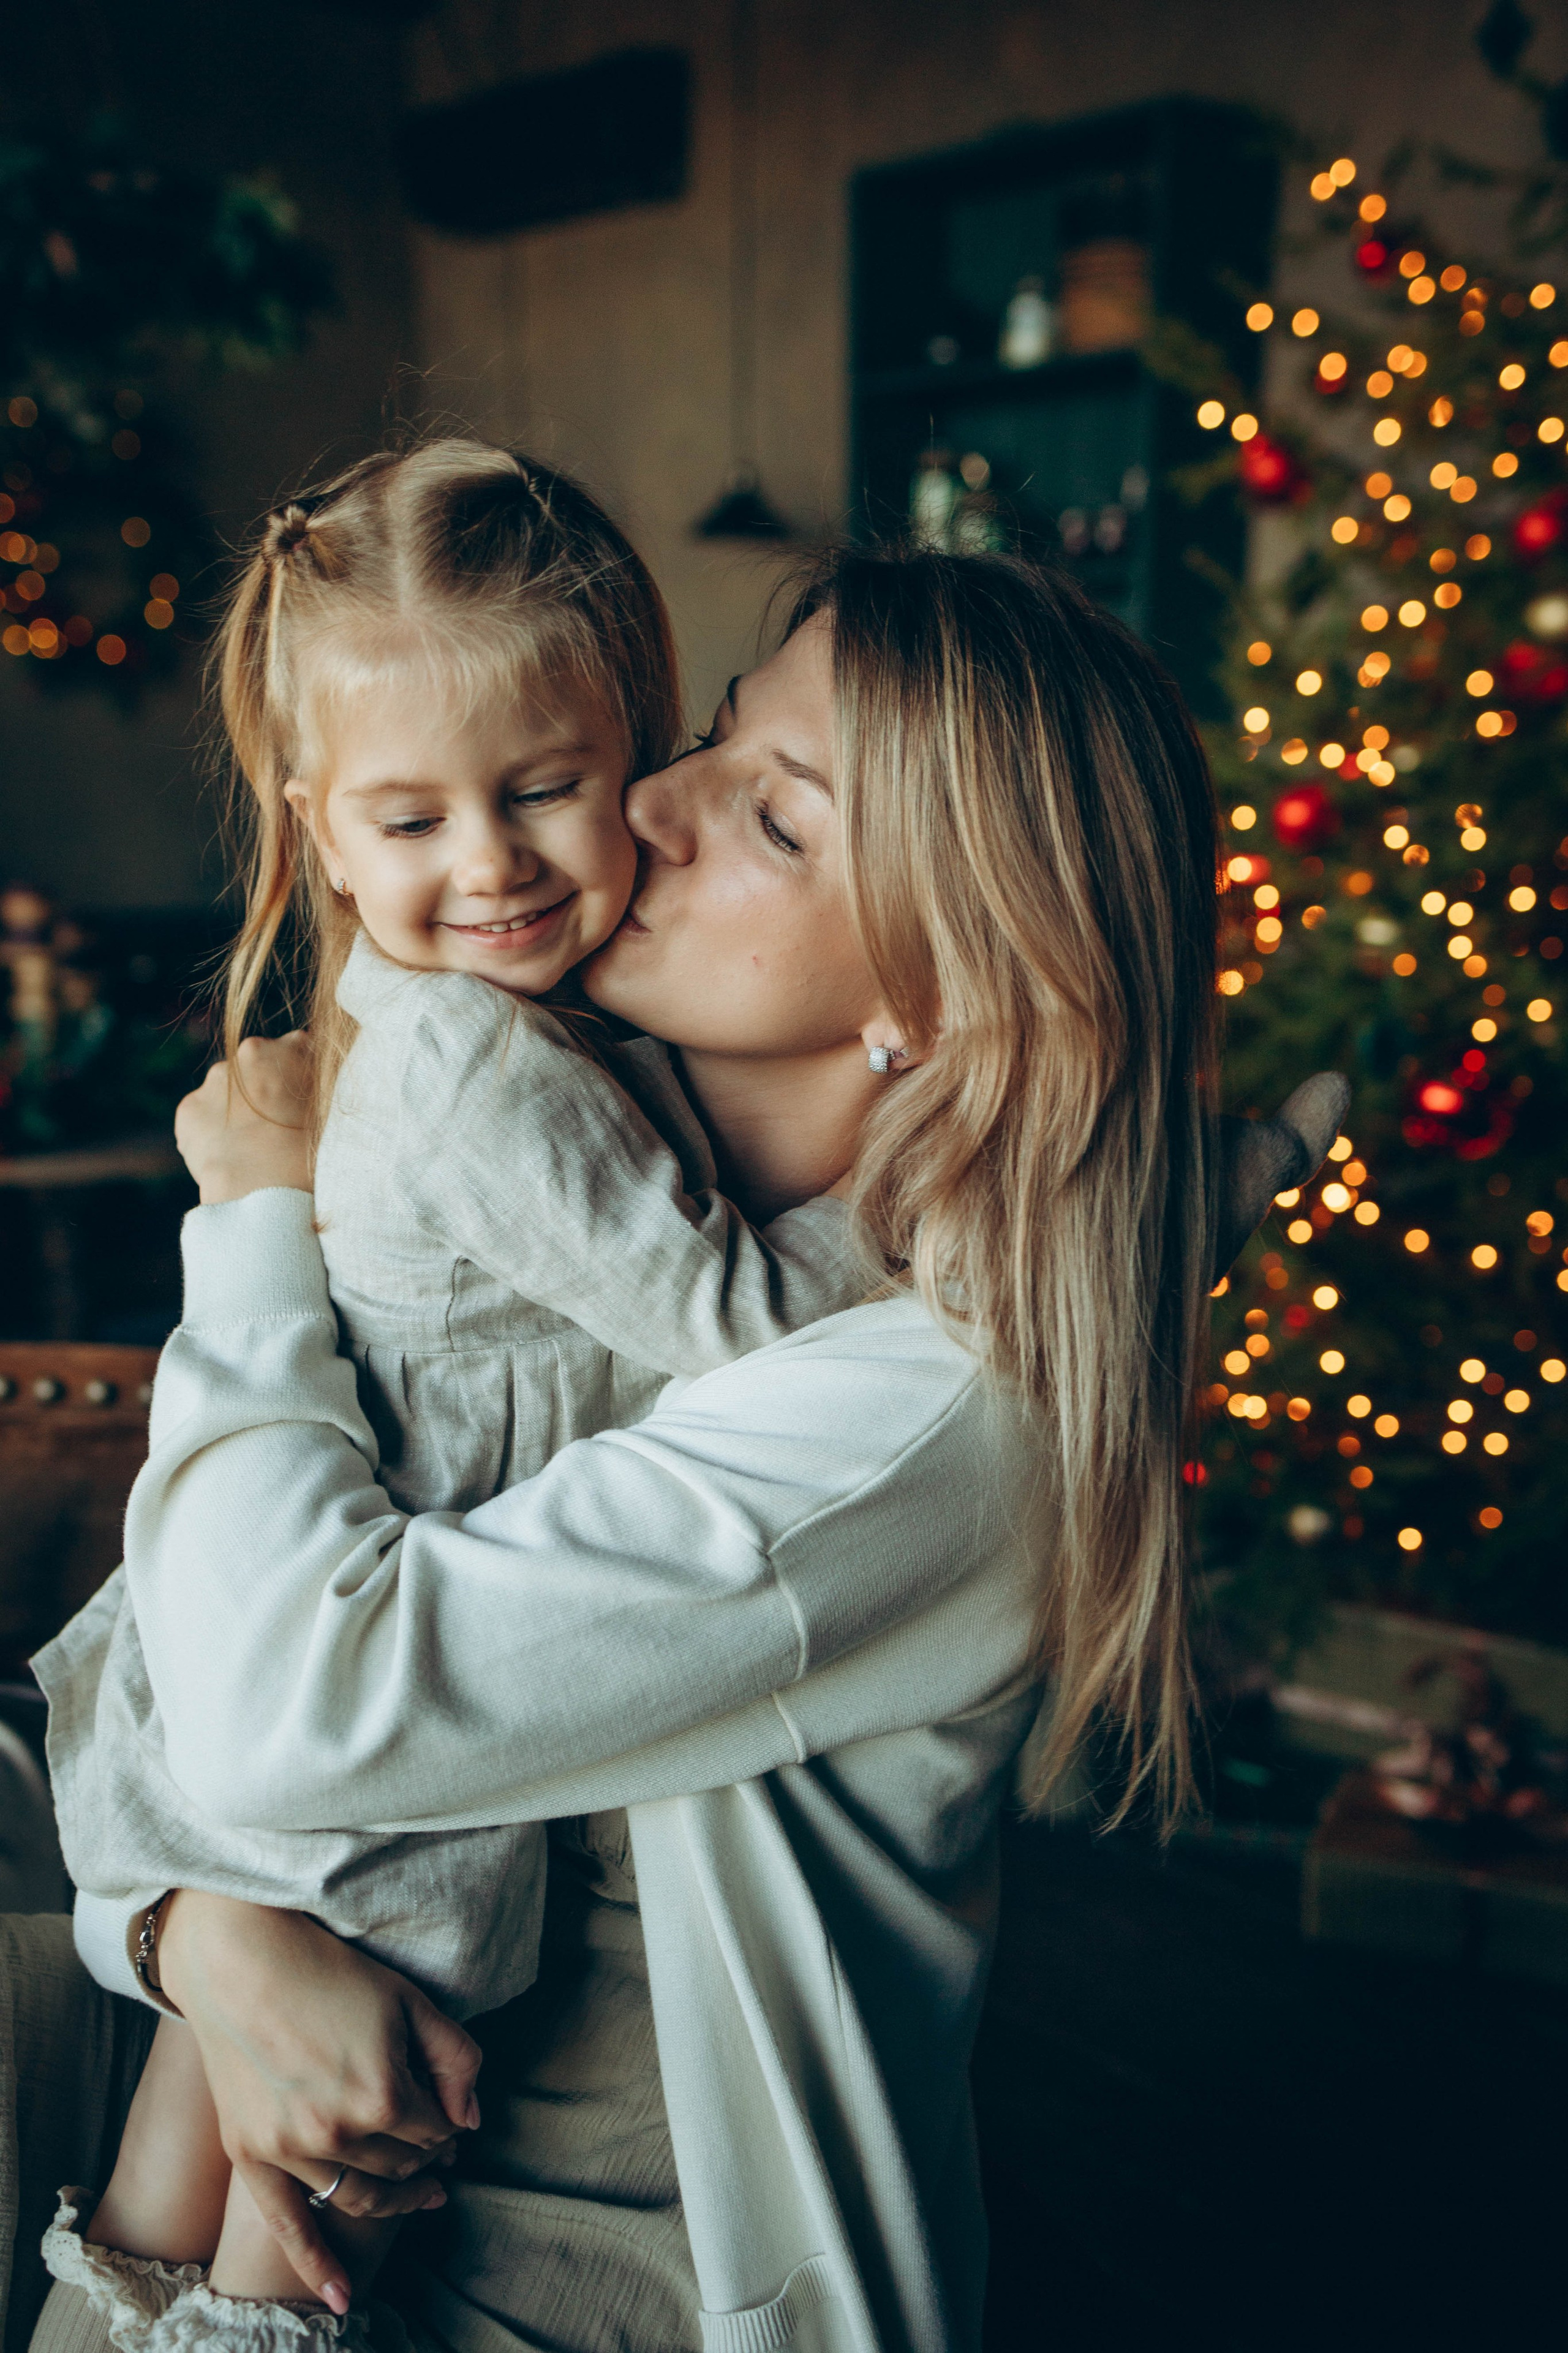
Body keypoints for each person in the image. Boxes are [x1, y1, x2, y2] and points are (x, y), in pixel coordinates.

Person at [15, 541, 1223, 2353]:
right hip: (305, 1983)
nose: (649, 802)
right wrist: (193, 1931)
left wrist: (250, 1229)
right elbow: (166, 1644)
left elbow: (285, 1695)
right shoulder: (577, 1154)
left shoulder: (932, 1403)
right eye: (717, 735)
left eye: (775, 816)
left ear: (947, 993)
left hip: (568, 2254)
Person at [33, 439, 868, 2343]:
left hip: (264, 1644)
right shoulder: (484, 1067)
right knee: (316, 2206)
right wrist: (929, 1225)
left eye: (543, 790)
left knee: (181, 2155)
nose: (488, 863)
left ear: (632, 758)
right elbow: (724, 1306)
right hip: (364, 1744)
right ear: (319, 835)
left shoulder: (509, 1020)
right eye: (411, 823)